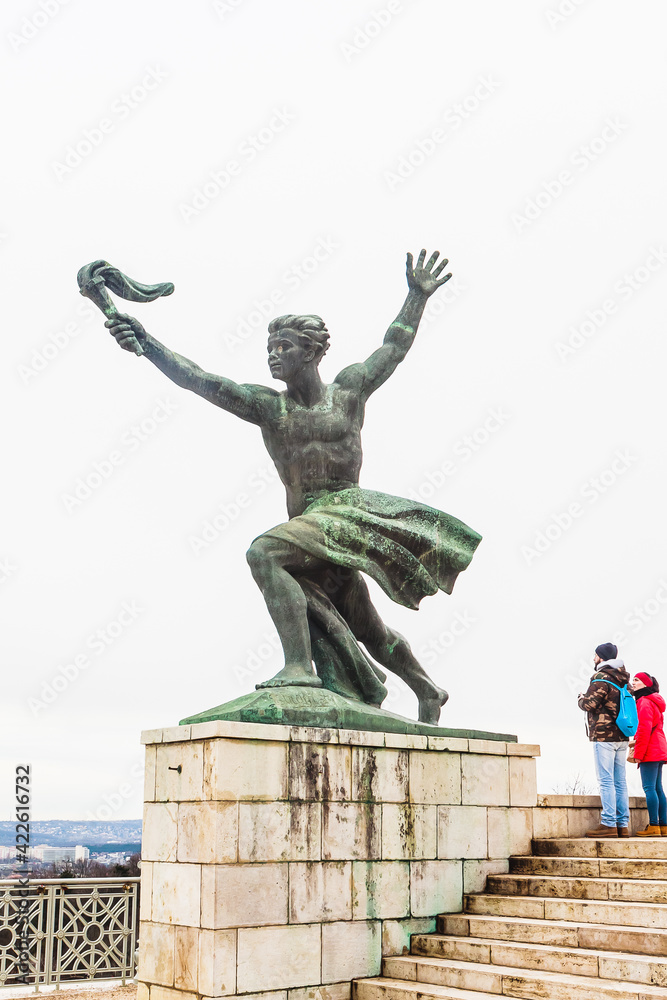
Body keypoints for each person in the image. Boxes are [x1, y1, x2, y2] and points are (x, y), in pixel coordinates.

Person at [105, 250, 482, 725]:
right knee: (366, 626)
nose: (272, 355)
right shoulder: (268, 407)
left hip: (347, 513)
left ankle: (299, 667)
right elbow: (198, 379)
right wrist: (146, 343)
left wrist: (416, 297)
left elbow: (394, 346)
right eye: (270, 348)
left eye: (283, 346)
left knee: (264, 553)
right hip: (310, 528)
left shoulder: (348, 392)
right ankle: (428, 689)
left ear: (311, 351)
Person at [578, 642, 631, 837]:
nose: (593, 659)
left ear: (601, 657)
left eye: (595, 655)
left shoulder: (601, 678)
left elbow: (589, 704)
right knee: (620, 781)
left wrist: (580, 698)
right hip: (622, 736)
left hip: (604, 736)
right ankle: (622, 825)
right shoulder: (624, 680)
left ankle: (609, 823)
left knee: (606, 780)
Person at [630, 672, 667, 837]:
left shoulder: (644, 702)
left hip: (650, 749)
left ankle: (653, 826)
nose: (633, 682)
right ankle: (664, 825)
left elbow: (644, 729)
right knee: (658, 788)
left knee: (649, 788)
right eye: (633, 679)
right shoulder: (654, 701)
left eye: (637, 680)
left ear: (646, 684)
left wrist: (638, 753)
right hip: (659, 747)